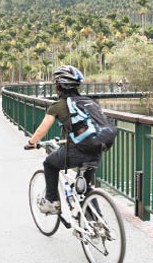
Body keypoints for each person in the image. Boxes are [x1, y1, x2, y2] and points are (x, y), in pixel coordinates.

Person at [24, 65, 101, 214]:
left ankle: (52, 202)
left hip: (76, 152)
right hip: (96, 151)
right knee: (84, 187)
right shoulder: (90, 102)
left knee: (49, 164)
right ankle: (98, 223)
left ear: (59, 86)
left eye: (55, 83)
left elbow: (41, 130)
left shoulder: (58, 106)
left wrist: (31, 143)